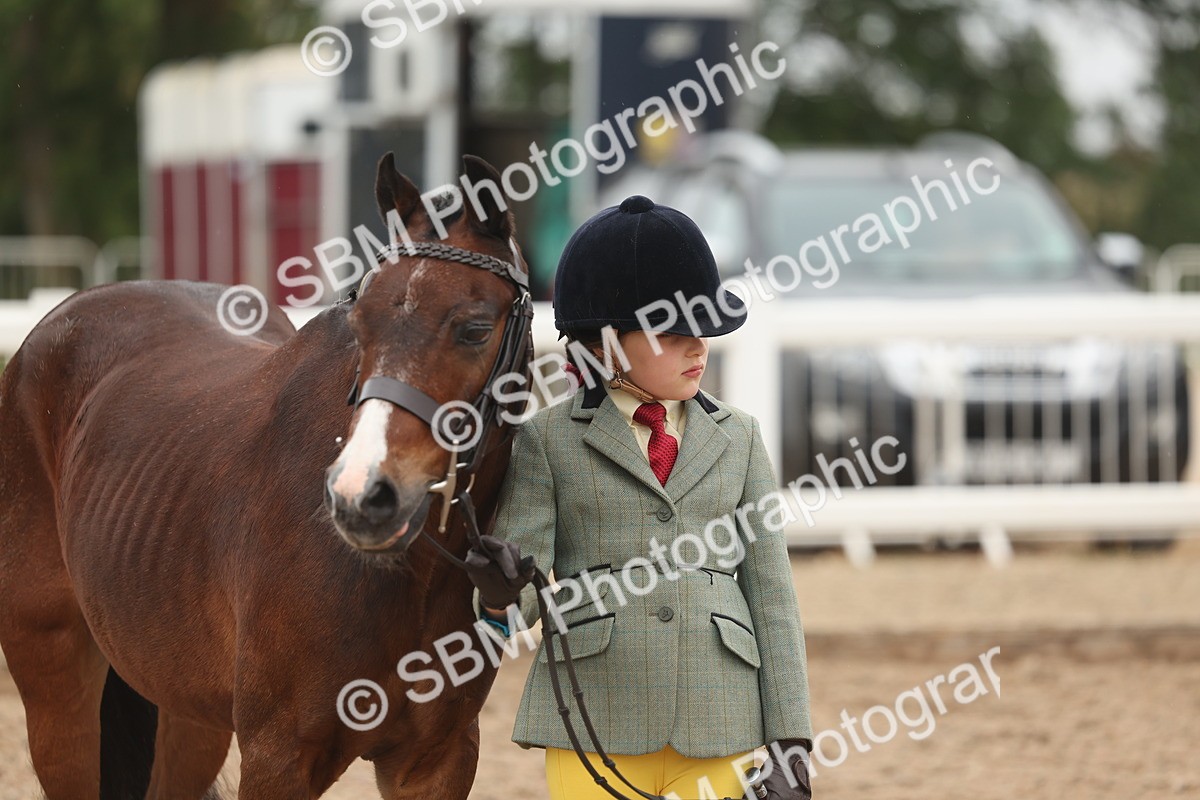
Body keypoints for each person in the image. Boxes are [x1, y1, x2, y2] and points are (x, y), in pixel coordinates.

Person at [465, 195, 813, 800]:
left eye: (701, 331)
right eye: (674, 334)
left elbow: (773, 594)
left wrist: (792, 743)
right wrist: (498, 598)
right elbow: (518, 592)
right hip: (595, 717)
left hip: (721, 716)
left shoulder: (740, 437)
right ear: (604, 345)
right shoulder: (548, 440)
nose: (698, 347)